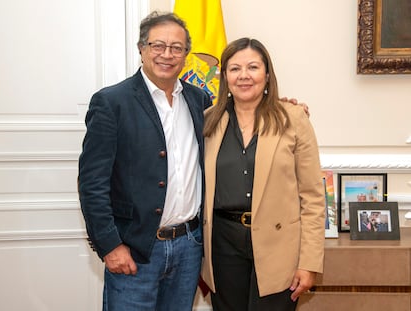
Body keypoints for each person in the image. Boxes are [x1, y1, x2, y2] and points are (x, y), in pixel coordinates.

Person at [78, 11, 212, 311]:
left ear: (186, 55)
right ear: (142, 48)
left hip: (189, 248)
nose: (167, 54)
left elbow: (242, 114)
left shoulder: (199, 100)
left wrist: (283, 106)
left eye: (176, 48)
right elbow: (92, 184)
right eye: (158, 45)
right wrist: (110, 245)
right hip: (135, 250)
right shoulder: (112, 102)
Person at [201, 38, 325, 311]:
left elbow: (313, 198)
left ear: (267, 75)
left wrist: (309, 262)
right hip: (223, 246)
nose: (244, 76)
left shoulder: (293, 118)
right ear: (225, 77)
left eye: (253, 67)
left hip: (279, 246)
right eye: (234, 69)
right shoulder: (208, 120)